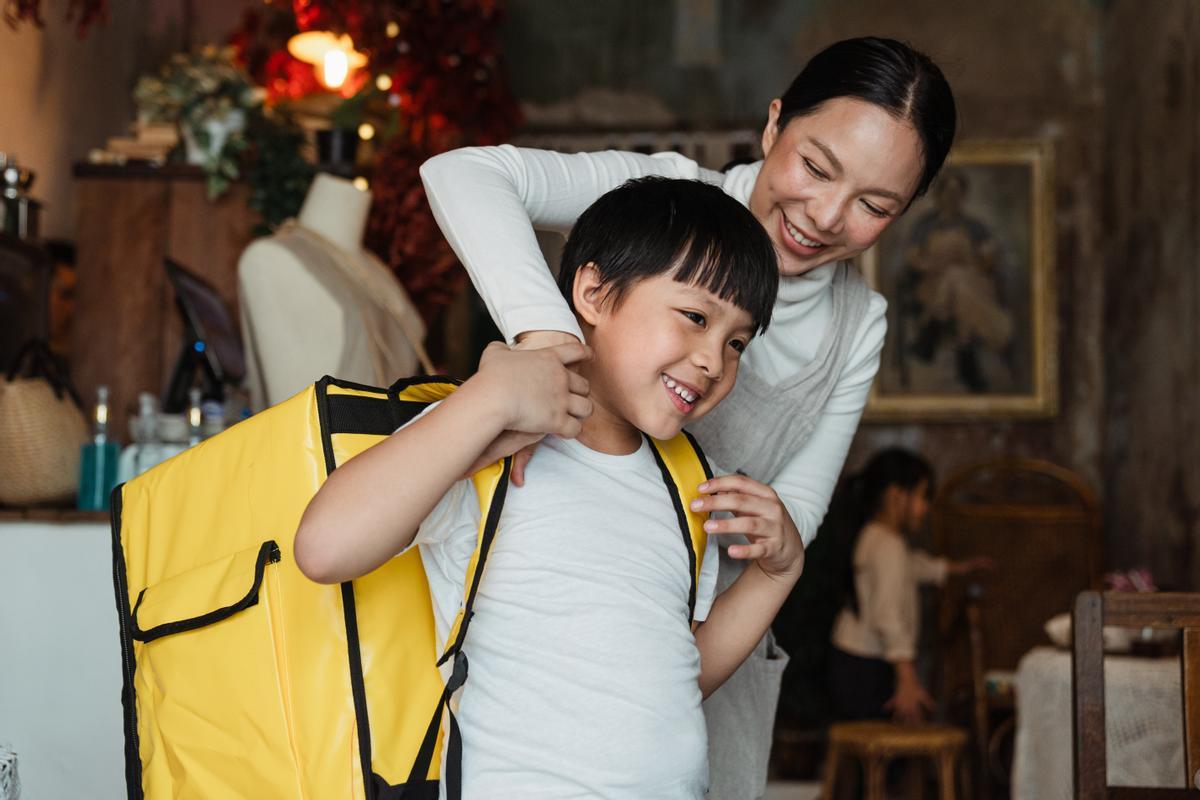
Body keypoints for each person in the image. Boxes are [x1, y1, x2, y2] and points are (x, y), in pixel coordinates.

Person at [419, 36, 958, 798]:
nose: (827, 216)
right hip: (547, 629)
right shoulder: (667, 196)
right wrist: (547, 341)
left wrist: (779, 528)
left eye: (875, 206)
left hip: (708, 653)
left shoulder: (859, 322)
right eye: (815, 165)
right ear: (774, 126)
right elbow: (464, 173)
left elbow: (799, 512)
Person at [294, 177, 803, 798]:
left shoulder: (685, 478)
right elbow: (324, 547)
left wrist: (776, 574)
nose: (713, 361)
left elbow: (676, 678)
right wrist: (486, 400)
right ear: (592, 292)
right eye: (695, 317)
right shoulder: (486, 435)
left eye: (736, 343)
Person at [828, 448, 991, 724]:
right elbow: (887, 615)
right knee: (887, 751)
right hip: (866, 668)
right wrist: (907, 676)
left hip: (853, 660)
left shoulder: (877, 537)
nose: (926, 508)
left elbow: (909, 566)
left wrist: (952, 568)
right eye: (922, 496)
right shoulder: (888, 546)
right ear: (896, 496)